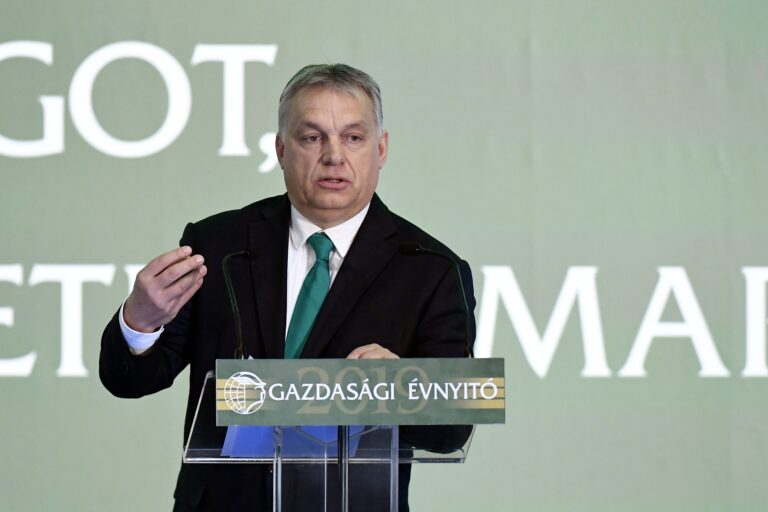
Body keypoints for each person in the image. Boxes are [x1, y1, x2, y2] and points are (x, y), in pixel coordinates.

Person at [99, 64, 475, 512]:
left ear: (381, 149)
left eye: (353, 137)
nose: (333, 156)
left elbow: (453, 428)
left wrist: (400, 389)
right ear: (281, 149)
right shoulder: (219, 246)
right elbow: (130, 381)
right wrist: (139, 323)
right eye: (312, 137)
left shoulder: (431, 270)